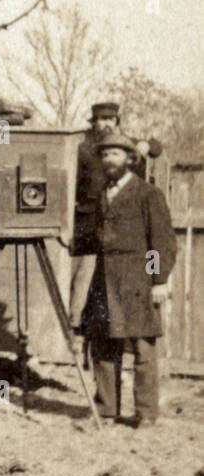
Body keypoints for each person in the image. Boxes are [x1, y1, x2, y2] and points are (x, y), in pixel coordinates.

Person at [79, 132, 175, 427]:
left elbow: (160, 241)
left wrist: (157, 280)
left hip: (137, 280)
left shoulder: (148, 194)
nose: (109, 160)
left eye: (116, 155)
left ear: (131, 160)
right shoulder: (102, 195)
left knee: (143, 349)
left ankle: (146, 414)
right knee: (105, 345)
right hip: (105, 279)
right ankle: (107, 410)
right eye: (105, 155)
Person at [70, 102, 163, 323]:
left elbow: (157, 148)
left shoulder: (125, 147)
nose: (105, 124)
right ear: (93, 123)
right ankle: (76, 332)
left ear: (117, 121)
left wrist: (145, 144)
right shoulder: (82, 147)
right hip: (88, 222)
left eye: (110, 119)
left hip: (123, 226)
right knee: (83, 280)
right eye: (100, 119)